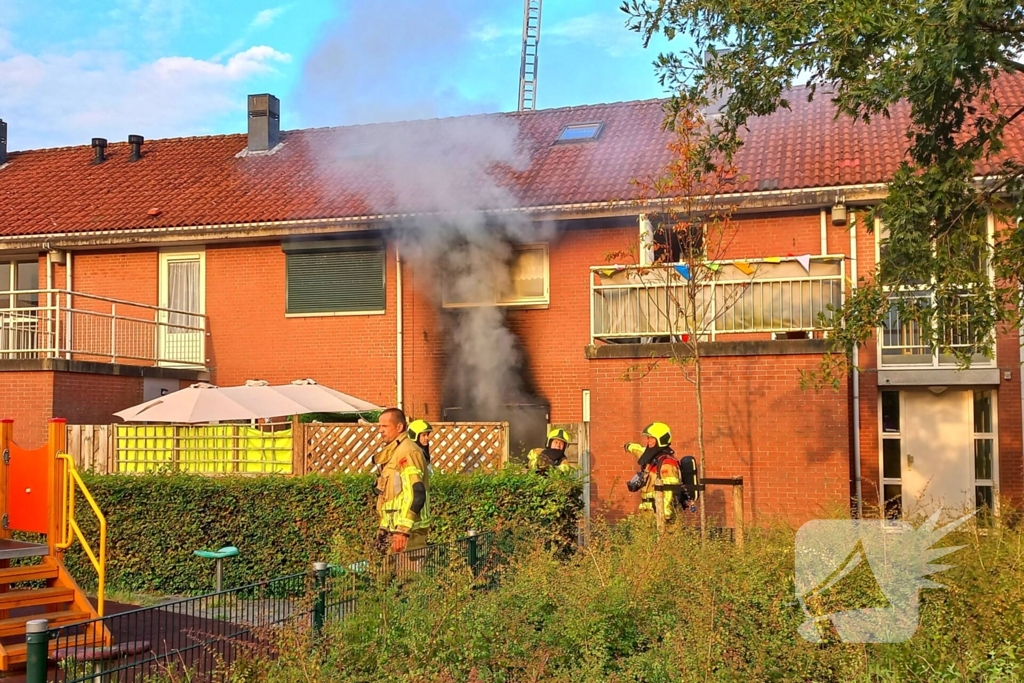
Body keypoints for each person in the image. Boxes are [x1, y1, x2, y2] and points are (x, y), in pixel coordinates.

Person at [374, 408, 430, 563]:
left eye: (384, 426)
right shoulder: (395, 452)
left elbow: (416, 493)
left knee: (408, 583)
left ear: (399, 427)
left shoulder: (408, 452)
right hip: (392, 533)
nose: (380, 431)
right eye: (380, 426)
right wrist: (383, 529)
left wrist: (403, 531)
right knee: (385, 583)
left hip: (408, 536)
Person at [626, 422, 687, 533]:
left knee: (665, 546)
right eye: (648, 438)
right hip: (648, 512)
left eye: (651, 438)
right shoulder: (652, 457)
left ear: (661, 439)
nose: (648, 441)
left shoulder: (667, 462)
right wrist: (629, 446)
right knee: (646, 547)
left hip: (660, 514)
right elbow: (640, 450)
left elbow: (669, 489)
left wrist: (665, 513)